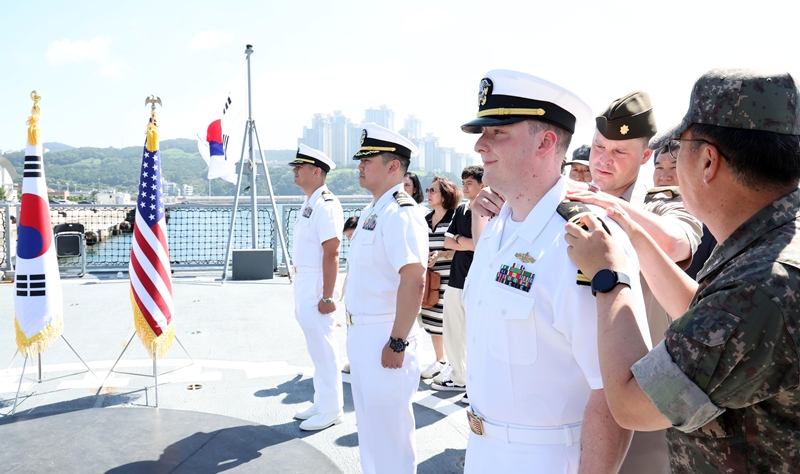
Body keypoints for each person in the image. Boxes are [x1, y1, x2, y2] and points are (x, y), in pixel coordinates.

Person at [565, 67, 800, 473]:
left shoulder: (760, 287)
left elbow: (630, 402)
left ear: (707, 159)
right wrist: (635, 237)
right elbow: (702, 313)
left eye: (680, 147)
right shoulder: (772, 247)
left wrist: (610, 275)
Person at [461, 69, 650, 473]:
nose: (480, 145)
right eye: (482, 133)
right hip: (482, 450)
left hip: (547, 459)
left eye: (498, 133)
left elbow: (610, 390)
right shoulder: (496, 227)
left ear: (546, 142)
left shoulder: (585, 239)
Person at [345, 122, 428, 474]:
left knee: (391, 435)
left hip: (386, 333)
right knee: (371, 430)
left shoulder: (401, 212)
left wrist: (397, 342)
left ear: (393, 166)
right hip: (362, 334)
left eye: (368, 159)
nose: (360, 166)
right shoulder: (372, 211)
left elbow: (414, 280)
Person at [288, 144, 345, 431]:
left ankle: (333, 408)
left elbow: (331, 252)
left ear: (316, 171)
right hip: (304, 281)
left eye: (300, 166)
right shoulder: (310, 202)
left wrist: (327, 296)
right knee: (315, 348)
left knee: (324, 347)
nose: (295, 170)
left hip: (317, 285)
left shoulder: (326, 204)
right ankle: (322, 400)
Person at [433, 165, 485, 404]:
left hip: (477, 280)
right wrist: (467, 242)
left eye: (470, 183)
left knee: (476, 334)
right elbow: (447, 241)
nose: (464, 187)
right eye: (463, 182)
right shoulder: (462, 209)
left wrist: (460, 241)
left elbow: (481, 244)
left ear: (483, 185)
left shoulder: (488, 210)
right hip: (456, 279)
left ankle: (475, 384)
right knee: (452, 330)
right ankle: (459, 375)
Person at [652, 143, 718, 281]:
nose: (664, 176)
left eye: (674, 167)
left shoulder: (713, 225)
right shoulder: (643, 212)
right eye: (659, 167)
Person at [419, 176, 461, 379]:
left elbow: (464, 249)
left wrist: (442, 254)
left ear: (445, 195)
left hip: (452, 276)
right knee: (432, 318)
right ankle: (440, 360)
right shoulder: (424, 219)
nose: (428, 193)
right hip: (430, 277)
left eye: (433, 190)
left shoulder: (456, 218)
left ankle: (455, 365)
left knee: (452, 322)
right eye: (428, 190)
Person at [340, 215, 360, 375]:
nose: (350, 239)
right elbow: (349, 270)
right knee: (350, 327)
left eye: (352, 235)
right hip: (351, 293)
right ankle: (354, 359)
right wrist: (343, 288)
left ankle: (360, 360)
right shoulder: (354, 248)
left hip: (363, 295)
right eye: (347, 237)